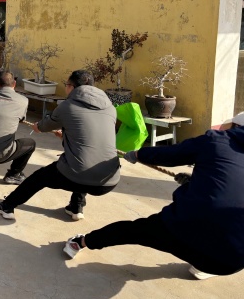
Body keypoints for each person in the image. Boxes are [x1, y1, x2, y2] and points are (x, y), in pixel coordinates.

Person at [63, 112, 244, 281]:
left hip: (183, 229)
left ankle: (80, 242)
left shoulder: (217, 140)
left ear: (235, 126)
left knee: (132, 231)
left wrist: (138, 154)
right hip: (231, 262)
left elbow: (171, 154)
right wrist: (195, 182)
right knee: (220, 235)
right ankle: (204, 266)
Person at [0, 69, 120, 221]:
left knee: (40, 177)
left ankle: (7, 206)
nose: (66, 88)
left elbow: (43, 126)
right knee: (84, 159)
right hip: (109, 179)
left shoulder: (67, 106)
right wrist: (67, 135)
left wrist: (37, 126)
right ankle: (76, 207)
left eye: (66, 85)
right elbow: (89, 138)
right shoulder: (110, 108)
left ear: (72, 87)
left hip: (80, 173)